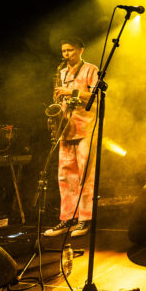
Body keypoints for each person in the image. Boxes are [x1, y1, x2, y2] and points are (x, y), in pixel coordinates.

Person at [43, 38, 100, 238]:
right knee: (65, 176)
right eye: (64, 51)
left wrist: (70, 91)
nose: (66, 54)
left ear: (81, 50)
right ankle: (68, 219)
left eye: (70, 50)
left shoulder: (91, 70)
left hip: (86, 127)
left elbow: (96, 96)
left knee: (85, 175)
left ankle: (85, 219)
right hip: (66, 127)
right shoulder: (61, 72)